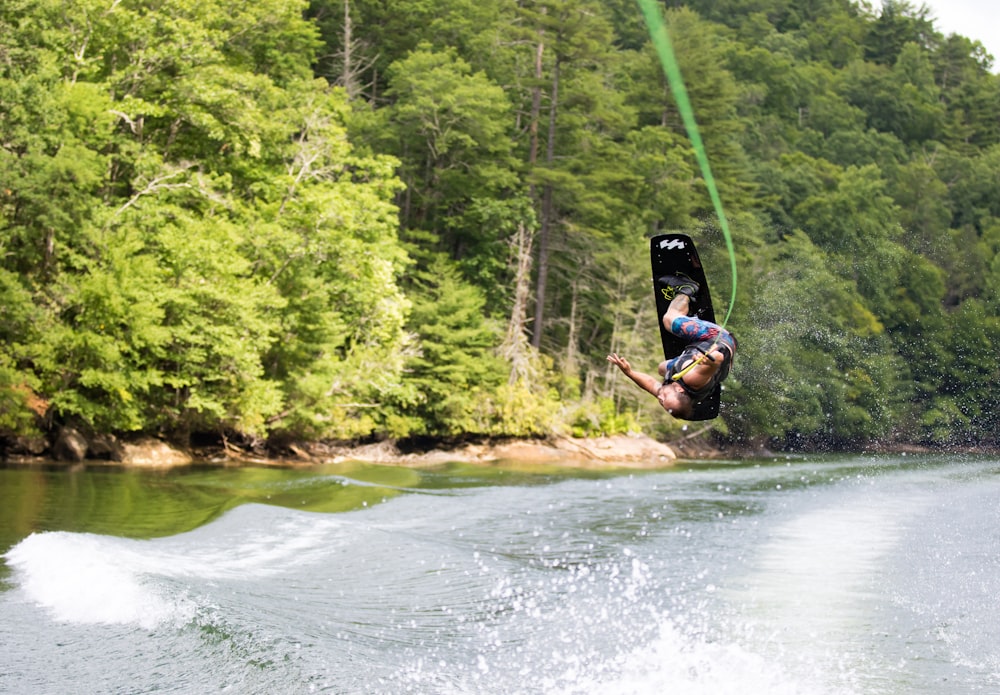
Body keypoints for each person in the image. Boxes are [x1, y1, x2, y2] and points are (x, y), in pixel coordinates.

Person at [607, 274, 736, 420]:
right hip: (716, 339)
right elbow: (717, 360)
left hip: (708, 361)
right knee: (669, 320)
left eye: (661, 401)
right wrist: (711, 361)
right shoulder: (693, 379)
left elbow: (649, 384)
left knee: (662, 368)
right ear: (679, 389)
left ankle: (687, 329)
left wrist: (629, 372)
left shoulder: (669, 392)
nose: (660, 396)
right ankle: (687, 289)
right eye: (664, 397)